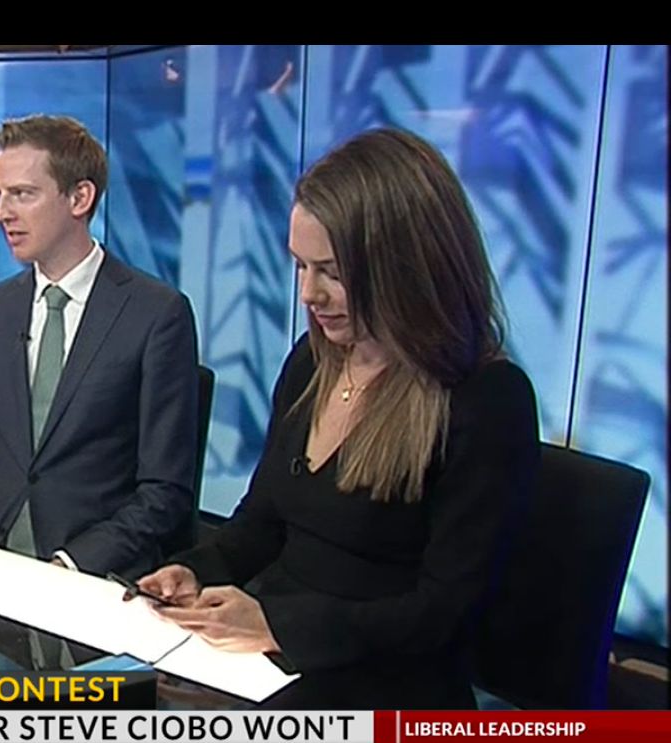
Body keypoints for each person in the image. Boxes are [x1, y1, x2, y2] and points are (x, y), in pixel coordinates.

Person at [134, 128, 539, 710]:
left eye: (332, 271)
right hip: (269, 665)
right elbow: (262, 523)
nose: (309, 294)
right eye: (301, 266)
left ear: (406, 266)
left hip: (389, 693)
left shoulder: (486, 399)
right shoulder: (312, 361)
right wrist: (193, 571)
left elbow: (446, 614)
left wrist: (279, 626)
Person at [0, 114, 200, 580]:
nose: (2, 213)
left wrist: (71, 565)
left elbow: (164, 490)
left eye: (22, 194)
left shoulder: (157, 314)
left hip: (94, 577)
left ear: (80, 198)